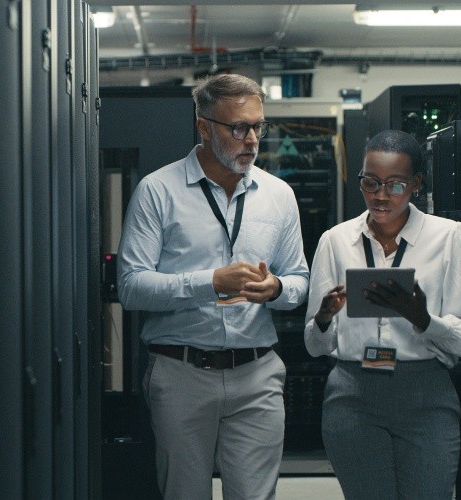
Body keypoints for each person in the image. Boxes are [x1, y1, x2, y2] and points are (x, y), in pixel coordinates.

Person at [117, 73, 309, 500]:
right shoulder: (158, 190)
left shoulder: (279, 195)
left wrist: (276, 288)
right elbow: (131, 286)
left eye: (258, 126)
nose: (252, 139)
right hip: (182, 374)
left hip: (257, 375)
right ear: (203, 126)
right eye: (238, 127)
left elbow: (300, 281)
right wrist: (210, 283)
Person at [303, 129, 461, 499]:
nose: (381, 195)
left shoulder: (449, 237)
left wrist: (422, 318)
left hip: (425, 394)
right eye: (370, 183)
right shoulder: (336, 241)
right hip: (353, 392)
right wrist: (323, 318)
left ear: (417, 183)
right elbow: (314, 346)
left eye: (396, 185)